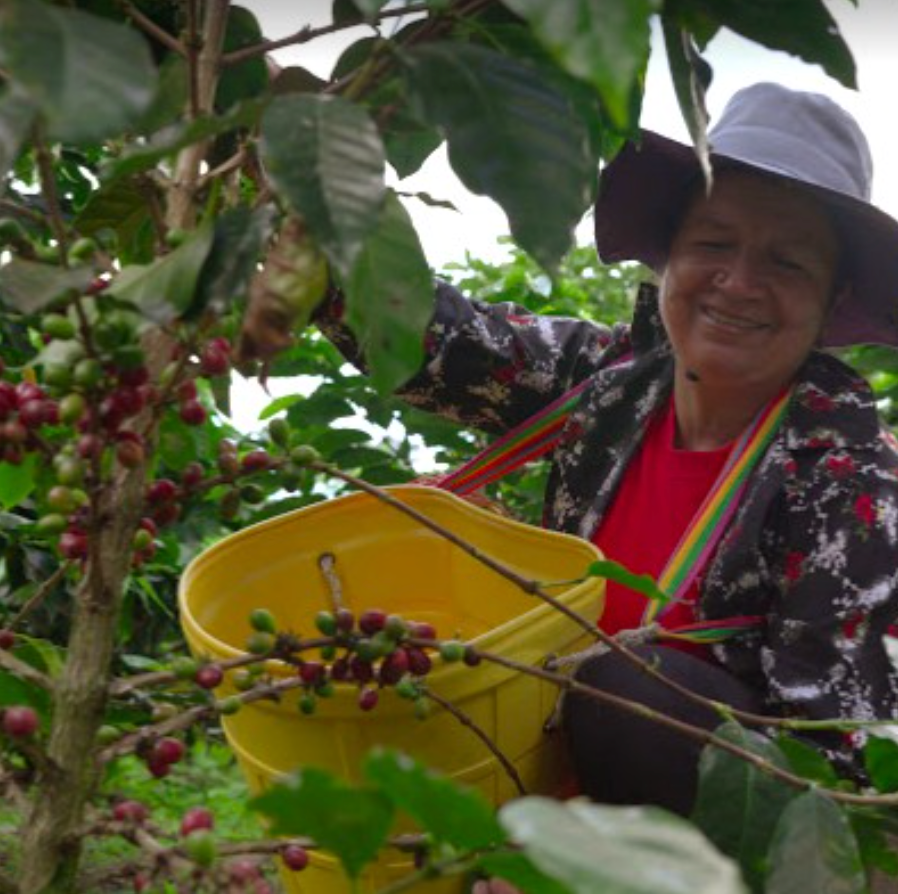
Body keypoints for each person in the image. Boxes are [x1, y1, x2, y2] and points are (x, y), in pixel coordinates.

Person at [316, 82, 898, 822]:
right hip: (535, 794)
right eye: (713, 243)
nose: (740, 283)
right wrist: (313, 226)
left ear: (831, 297)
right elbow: (442, 345)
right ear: (668, 255)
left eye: (787, 263)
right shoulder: (612, 386)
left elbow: (831, 761)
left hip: (700, 853)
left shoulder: (849, 483)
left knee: (633, 685)